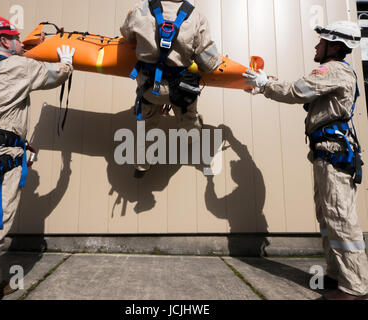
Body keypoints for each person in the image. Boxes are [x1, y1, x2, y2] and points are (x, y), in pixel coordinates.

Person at [242, 20, 368, 300]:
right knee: (329, 218)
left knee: (340, 218)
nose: (316, 45)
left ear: (333, 45)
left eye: (320, 42)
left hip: (333, 156)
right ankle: (337, 276)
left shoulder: (333, 70)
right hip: (328, 155)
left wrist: (264, 85)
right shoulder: (334, 73)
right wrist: (267, 82)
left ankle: (355, 288)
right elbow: (301, 89)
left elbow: (297, 90)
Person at [0, 15, 75, 300]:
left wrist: (19, 142)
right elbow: (54, 76)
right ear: (4, 40)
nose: (20, 43)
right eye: (16, 38)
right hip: (0, 160)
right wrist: (66, 62)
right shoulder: (18, 66)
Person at [120, 0, 222, 176]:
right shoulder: (197, 17)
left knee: (146, 125)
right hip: (181, 90)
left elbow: (127, 35)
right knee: (189, 124)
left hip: (149, 88)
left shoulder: (140, 9)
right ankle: (193, 129)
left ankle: (141, 166)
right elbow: (209, 63)